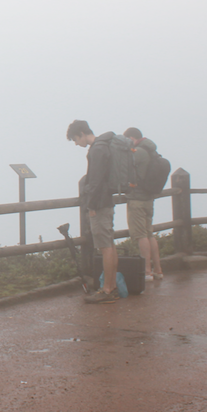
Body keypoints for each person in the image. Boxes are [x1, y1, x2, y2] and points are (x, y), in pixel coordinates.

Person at [66, 119, 120, 304]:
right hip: (107, 201)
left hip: (100, 203)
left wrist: (91, 206)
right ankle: (111, 287)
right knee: (109, 245)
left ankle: (107, 290)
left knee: (105, 247)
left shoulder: (97, 150)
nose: (76, 143)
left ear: (81, 134)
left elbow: (95, 182)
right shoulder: (104, 146)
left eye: (75, 139)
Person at [123, 127, 164, 280]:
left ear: (132, 138)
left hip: (137, 199)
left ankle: (147, 272)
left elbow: (125, 169)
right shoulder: (151, 150)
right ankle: (158, 270)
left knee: (141, 236)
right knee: (149, 234)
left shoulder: (138, 152)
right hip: (148, 198)